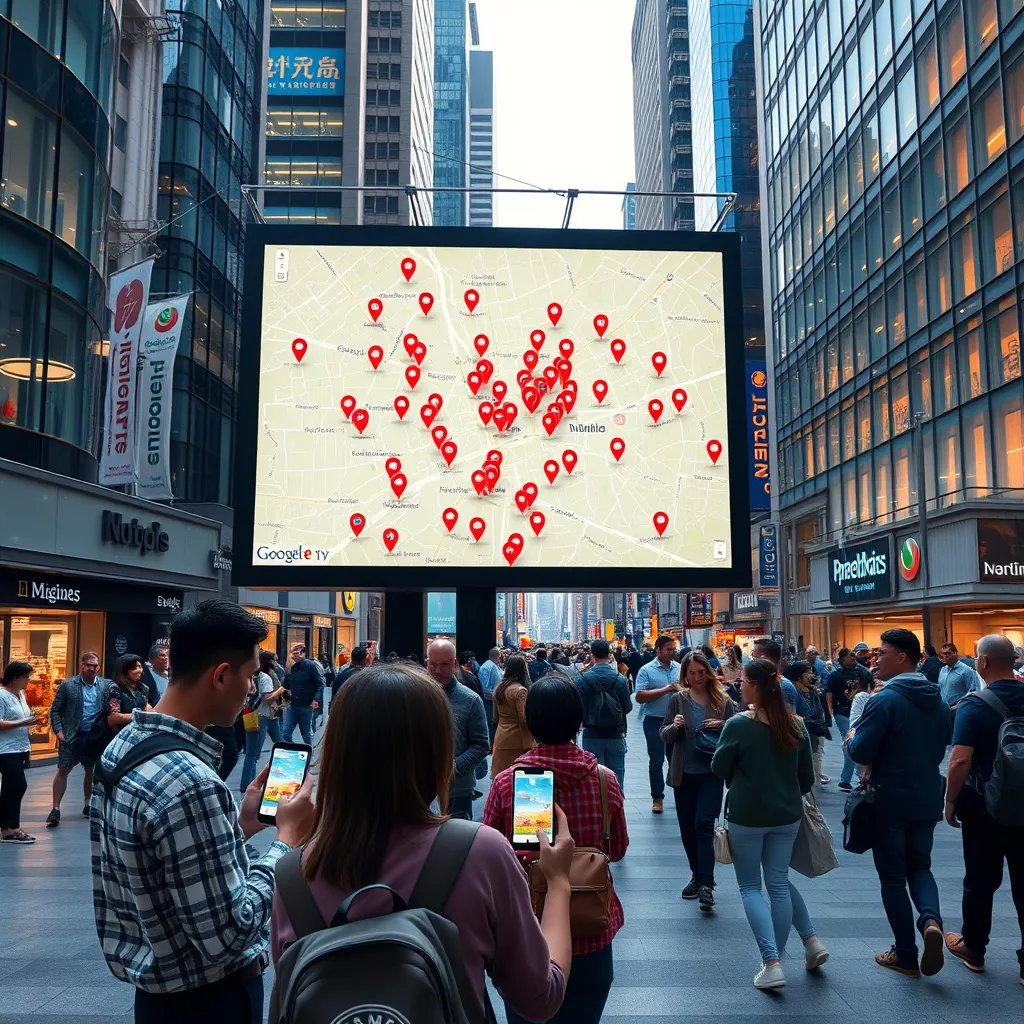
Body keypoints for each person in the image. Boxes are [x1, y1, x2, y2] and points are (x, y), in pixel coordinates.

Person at [273, 662, 573, 1023]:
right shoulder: (480, 853)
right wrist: (558, 881)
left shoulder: (292, 873)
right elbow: (540, 998)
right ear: (436, 752)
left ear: (338, 752)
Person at [91, 600, 315, 1023]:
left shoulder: (124, 747)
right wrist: (285, 841)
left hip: (158, 996)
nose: (252, 689)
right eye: (249, 677)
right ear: (221, 675)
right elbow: (230, 933)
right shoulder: (191, 781)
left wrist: (241, 827)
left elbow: (165, 871)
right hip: (211, 1000)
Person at [485, 675, 628, 1024]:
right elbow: (619, 848)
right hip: (592, 932)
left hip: (528, 934)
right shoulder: (604, 779)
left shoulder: (509, 782)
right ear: (579, 721)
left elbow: (488, 856)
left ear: (530, 720)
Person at [711, 658, 829, 990]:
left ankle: (772, 961)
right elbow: (806, 778)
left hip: (748, 815)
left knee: (750, 887)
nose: (740, 685)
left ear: (756, 685)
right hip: (787, 815)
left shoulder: (738, 724)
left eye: (744, 680)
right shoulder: (796, 725)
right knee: (778, 884)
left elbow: (719, 767)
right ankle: (796, 948)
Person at [847, 628, 952, 977]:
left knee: (892, 877)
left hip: (889, 798)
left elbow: (861, 750)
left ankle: (906, 953)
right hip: (926, 796)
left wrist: (851, 737)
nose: (876, 658)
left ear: (902, 657)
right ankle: (931, 921)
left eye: (883, 652)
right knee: (920, 866)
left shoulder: (883, 701)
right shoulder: (936, 699)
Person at [943, 634, 1024, 981]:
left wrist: (949, 800)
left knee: (979, 879)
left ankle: (974, 947)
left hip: (983, 805)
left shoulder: (973, 704)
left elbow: (960, 759)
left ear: (985, 662)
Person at [660, 650, 735, 910]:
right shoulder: (677, 700)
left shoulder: (723, 701)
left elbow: (736, 732)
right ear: (685, 675)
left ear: (709, 672)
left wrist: (723, 725)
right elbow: (664, 735)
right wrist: (675, 726)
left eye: (701, 672)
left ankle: (707, 884)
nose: (697, 677)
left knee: (704, 823)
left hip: (711, 773)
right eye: (691, 673)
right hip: (684, 773)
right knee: (687, 828)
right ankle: (696, 873)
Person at [425, 639, 488, 819]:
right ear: (426, 662)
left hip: (457, 788)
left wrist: (453, 767)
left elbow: (481, 745)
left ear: (454, 664)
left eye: (444, 665)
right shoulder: (413, 696)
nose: (437, 670)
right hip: (418, 788)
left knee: (455, 843)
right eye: (433, 664)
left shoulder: (471, 700)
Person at [46, 651, 110, 828]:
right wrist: (59, 730)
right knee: (64, 768)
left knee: (90, 769)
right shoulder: (69, 685)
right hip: (71, 734)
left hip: (94, 735)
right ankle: (56, 808)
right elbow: (56, 709)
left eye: (96, 665)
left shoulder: (105, 685)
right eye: (89, 665)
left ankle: (88, 804)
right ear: (82, 665)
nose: (93, 669)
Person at [576, 638, 632, 791]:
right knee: (616, 777)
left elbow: (578, 710)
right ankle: (616, 811)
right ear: (609, 655)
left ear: (592, 655)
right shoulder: (620, 679)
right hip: (616, 734)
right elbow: (627, 707)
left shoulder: (581, 679)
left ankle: (599, 812)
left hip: (592, 734)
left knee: (594, 778)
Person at [634, 634, 680, 813]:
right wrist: (666, 689)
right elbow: (639, 696)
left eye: (673, 649)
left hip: (677, 721)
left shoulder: (680, 668)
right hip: (654, 721)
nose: (672, 652)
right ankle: (657, 797)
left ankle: (680, 794)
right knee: (656, 760)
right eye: (669, 649)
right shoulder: (647, 670)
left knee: (676, 759)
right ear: (658, 650)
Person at [0, 661, 39, 843]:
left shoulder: (21, 694)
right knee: (17, 785)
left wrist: (32, 722)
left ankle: (6, 828)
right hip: (5, 749)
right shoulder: (1, 695)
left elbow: (22, 717)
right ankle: (13, 827)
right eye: (25, 677)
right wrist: (24, 723)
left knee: (10, 788)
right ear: (14, 678)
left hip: (20, 746)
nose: (28, 680)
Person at [239, 650, 285, 793]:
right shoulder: (264, 677)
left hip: (266, 716)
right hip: (261, 716)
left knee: (281, 744)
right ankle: (247, 786)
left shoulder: (249, 676)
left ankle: (286, 773)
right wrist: (279, 691)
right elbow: (267, 698)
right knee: (252, 754)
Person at [824, 649, 869, 791]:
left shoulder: (862, 672)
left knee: (852, 743)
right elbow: (829, 694)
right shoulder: (835, 675)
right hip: (842, 712)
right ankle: (858, 776)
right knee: (849, 741)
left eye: (854, 655)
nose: (853, 658)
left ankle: (847, 779)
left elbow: (868, 688)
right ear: (843, 658)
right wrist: (830, 713)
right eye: (850, 655)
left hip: (860, 712)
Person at [784, 661, 830, 786]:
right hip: (803, 732)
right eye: (807, 673)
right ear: (798, 677)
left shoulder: (812, 691)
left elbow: (820, 711)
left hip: (816, 730)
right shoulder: (791, 692)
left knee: (816, 758)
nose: (811, 675)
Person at [490, 655, 535, 777]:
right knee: (518, 779)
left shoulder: (499, 688)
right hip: (518, 740)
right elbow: (523, 719)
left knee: (501, 776)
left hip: (501, 737)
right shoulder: (520, 691)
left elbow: (495, 717)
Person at [752, 639, 812, 717]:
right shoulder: (765, 682)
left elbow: (786, 723)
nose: (751, 661)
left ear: (766, 659)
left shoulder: (783, 687)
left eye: (755, 658)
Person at [282, 644, 323, 746]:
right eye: (293, 654)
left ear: (303, 653)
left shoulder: (311, 666)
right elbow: (288, 684)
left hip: (306, 705)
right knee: (286, 733)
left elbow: (320, 684)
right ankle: (294, 750)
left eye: (297, 653)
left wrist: (316, 700)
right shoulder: (293, 667)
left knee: (306, 734)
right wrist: (288, 692)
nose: (294, 656)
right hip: (293, 704)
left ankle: (309, 753)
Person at [104, 654, 152, 734]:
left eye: (139, 667)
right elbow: (113, 718)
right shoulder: (115, 689)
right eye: (134, 668)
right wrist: (141, 716)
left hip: (140, 733)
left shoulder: (143, 688)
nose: (139, 670)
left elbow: (147, 707)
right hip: (121, 735)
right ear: (124, 671)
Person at [939, 643, 979, 709]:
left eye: (947, 653)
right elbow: (941, 689)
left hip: (958, 708)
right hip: (944, 708)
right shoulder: (943, 670)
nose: (945, 656)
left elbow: (973, 692)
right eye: (943, 654)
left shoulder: (966, 670)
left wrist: (958, 706)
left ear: (954, 653)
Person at [478, 646, 503, 746]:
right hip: (489, 702)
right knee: (490, 724)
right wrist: (494, 698)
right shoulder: (488, 667)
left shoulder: (492, 666)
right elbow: (485, 688)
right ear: (498, 656)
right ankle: (489, 745)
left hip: (492, 700)